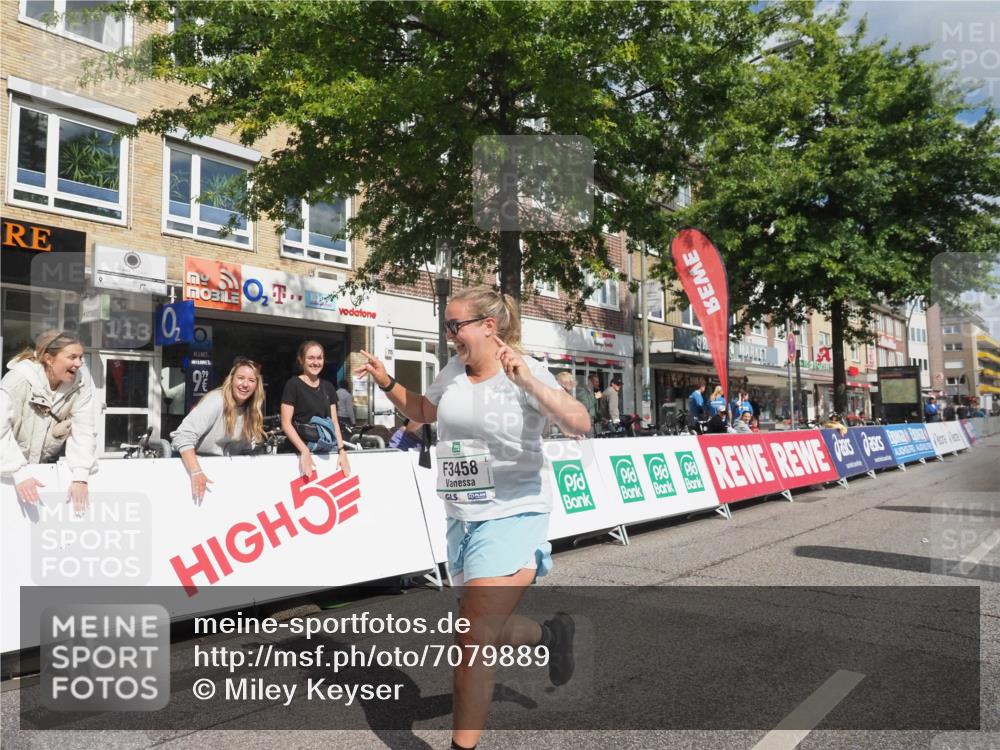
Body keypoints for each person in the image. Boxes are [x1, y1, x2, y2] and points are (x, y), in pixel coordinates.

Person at [355, 286, 589, 750]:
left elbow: (579, 422)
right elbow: (423, 411)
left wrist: (529, 382)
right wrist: (386, 380)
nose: (448, 336)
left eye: (454, 326)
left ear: (489, 326)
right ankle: (549, 633)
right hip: (462, 518)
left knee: (473, 638)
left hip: (514, 512)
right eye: (446, 327)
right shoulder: (453, 373)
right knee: (481, 629)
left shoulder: (522, 370)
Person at [0, 330, 96, 512]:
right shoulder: (16, 382)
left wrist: (80, 476)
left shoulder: (81, 385)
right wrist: (18, 472)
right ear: (49, 359)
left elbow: (84, 430)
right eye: (72, 357)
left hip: (40, 473)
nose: (79, 363)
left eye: (81, 357)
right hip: (6, 473)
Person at [170, 357, 266, 503]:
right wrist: (196, 471)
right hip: (195, 472)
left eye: (251, 380)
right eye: (240, 378)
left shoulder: (251, 410)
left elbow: (245, 450)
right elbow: (182, 436)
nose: (245, 384)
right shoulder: (216, 401)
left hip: (224, 474)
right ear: (231, 379)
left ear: (257, 386)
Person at [280, 341, 351, 479]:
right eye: (311, 358)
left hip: (324, 451)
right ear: (301, 360)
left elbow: (334, 422)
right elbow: (286, 423)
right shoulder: (293, 384)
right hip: (298, 453)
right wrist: (304, 450)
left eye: (319, 358)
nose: (316, 362)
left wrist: (342, 450)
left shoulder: (328, 387)